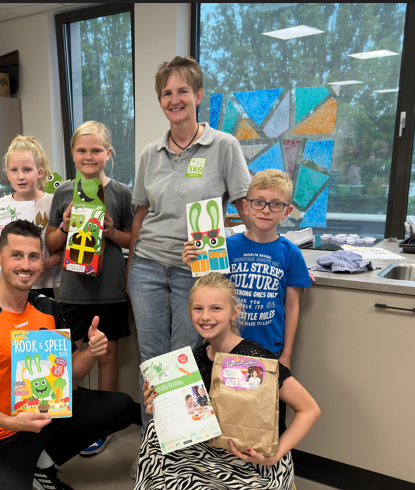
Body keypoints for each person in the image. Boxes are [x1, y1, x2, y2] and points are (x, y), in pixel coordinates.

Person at [0, 220, 135, 490]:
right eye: (16, 255)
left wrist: (91, 350)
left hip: (43, 417)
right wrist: (11, 421)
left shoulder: (48, 309)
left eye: (34, 256)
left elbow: (74, 372)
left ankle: (41, 463)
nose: (26, 265)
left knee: (121, 406)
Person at [127, 56, 252, 434]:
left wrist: (269, 246)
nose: (175, 99)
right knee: (152, 360)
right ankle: (154, 445)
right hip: (148, 267)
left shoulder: (223, 146)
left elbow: (245, 208)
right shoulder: (150, 154)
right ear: (160, 100)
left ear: (198, 95)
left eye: (183, 90)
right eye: (167, 92)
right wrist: (132, 266)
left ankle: (180, 443)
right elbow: (140, 216)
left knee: (185, 360)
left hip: (197, 274)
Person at [137, 273, 320, 490]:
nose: (206, 316)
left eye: (216, 308)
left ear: (234, 312)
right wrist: (161, 405)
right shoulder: (197, 357)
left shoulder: (254, 359)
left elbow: (310, 409)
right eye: (198, 309)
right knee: (153, 434)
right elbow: (197, 412)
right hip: (211, 447)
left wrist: (275, 456)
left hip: (252, 460)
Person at [46, 121, 134, 456]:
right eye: (82, 150)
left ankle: (102, 424)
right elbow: (52, 241)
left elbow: (131, 240)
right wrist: (66, 226)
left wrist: (111, 231)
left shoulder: (121, 193)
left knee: (107, 354)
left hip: (109, 290)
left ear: (108, 154)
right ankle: (70, 419)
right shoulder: (64, 193)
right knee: (70, 357)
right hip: (72, 291)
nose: (89, 156)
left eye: (96, 150)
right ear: (72, 154)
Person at [183, 169, 311, 368]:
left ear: (286, 212)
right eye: (259, 202)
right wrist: (196, 265)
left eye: (276, 204)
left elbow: (292, 307)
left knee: (266, 399)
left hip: (270, 348)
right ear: (246, 206)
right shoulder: (225, 247)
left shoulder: (291, 253)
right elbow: (210, 291)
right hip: (226, 345)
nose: (266, 210)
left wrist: (286, 354)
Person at [0, 136, 61, 298]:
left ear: (39, 173)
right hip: (10, 285)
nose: (20, 176)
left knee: (43, 322)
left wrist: (48, 263)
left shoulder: (53, 202)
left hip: (41, 285)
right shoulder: (2, 204)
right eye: (14, 170)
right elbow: (0, 247)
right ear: (8, 174)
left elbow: (65, 247)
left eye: (27, 169)